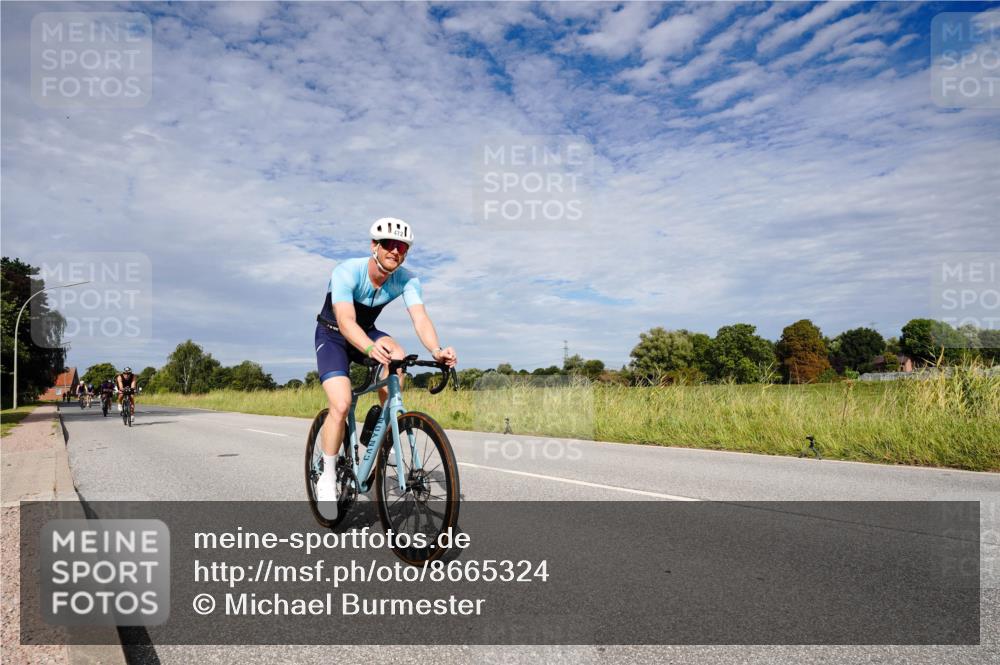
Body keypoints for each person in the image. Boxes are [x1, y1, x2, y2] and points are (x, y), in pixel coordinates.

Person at [314, 218, 457, 517]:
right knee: (340, 404)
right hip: (333, 334)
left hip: (366, 332)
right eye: (389, 245)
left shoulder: (406, 279)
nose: (395, 251)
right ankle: (327, 476)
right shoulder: (347, 271)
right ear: (374, 246)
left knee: (399, 356)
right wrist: (368, 347)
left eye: (402, 247)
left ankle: (383, 426)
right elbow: (345, 321)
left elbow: (420, 318)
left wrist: (436, 350)